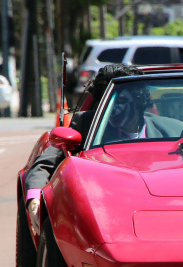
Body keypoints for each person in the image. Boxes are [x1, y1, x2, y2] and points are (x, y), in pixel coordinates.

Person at [25, 64, 144, 230]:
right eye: (105, 104)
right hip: (106, 208)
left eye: (121, 101)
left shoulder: (170, 130)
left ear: (139, 102)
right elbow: (45, 163)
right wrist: (34, 198)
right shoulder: (86, 125)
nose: (112, 110)